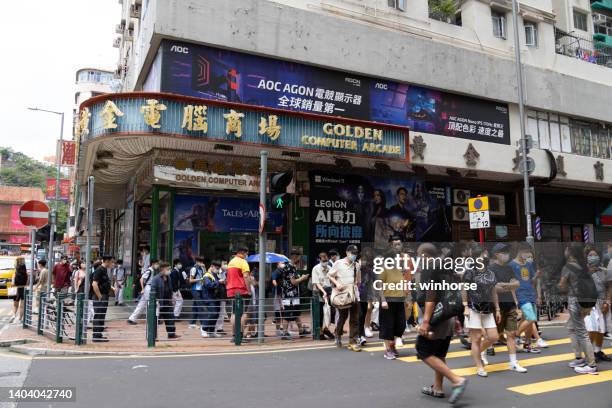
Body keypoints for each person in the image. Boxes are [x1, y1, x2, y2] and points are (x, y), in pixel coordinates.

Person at [415, 243, 467, 404]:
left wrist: (425, 322)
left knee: (423, 350)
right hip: (449, 317)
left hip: (436, 318)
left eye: (418, 255)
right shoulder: (445, 269)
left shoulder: (429, 270)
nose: (418, 259)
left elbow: (431, 296)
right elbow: (452, 294)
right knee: (439, 354)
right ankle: (437, 388)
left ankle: (456, 380)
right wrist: (456, 319)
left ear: (425, 255)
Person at [559, 242, 598, 374]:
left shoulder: (568, 267)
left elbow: (562, 285)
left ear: (570, 252)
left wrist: (560, 286)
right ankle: (578, 357)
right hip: (586, 302)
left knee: (581, 332)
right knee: (571, 327)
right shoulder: (583, 266)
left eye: (566, 249)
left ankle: (591, 365)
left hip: (575, 301)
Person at [489, 243, 528, 373]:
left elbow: (516, 283)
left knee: (511, 334)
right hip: (496, 306)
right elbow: (494, 288)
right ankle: (481, 353)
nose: (506, 254)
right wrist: (508, 285)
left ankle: (513, 362)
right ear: (496, 254)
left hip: (510, 304)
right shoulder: (490, 269)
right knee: (494, 336)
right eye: (503, 252)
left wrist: (504, 285)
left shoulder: (509, 268)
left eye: (507, 251)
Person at [462, 251, 501, 377]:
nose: (483, 257)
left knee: (494, 336)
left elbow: (494, 292)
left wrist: (498, 309)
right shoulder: (470, 272)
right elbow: (464, 289)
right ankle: (479, 366)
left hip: (488, 308)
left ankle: (476, 352)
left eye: (485, 255)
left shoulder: (491, 273)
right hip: (473, 307)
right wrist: (465, 306)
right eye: (481, 255)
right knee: (477, 338)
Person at [328, 244, 361, 352]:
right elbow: (330, 275)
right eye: (353, 253)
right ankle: (338, 334)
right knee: (343, 317)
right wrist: (337, 283)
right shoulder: (339, 263)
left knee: (355, 318)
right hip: (342, 294)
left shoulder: (356, 265)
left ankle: (353, 341)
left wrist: (356, 286)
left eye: (356, 253)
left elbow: (358, 280)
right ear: (347, 253)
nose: (354, 255)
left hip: (354, 294)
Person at [508, 243, 541, 354]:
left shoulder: (528, 264)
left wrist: (537, 276)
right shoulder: (511, 265)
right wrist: (515, 299)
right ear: (519, 251)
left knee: (529, 321)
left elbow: (531, 280)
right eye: (526, 252)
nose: (527, 255)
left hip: (530, 294)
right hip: (520, 294)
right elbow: (511, 283)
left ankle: (527, 344)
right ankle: (516, 336)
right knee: (531, 318)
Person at [377, 248, 407, 360]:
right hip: (388, 301)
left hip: (399, 300)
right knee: (387, 326)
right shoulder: (383, 269)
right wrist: (383, 300)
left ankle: (392, 345)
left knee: (400, 324)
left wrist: (405, 298)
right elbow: (379, 286)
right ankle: (388, 349)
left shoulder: (399, 270)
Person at [584, 248, 611, 362]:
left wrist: (607, 302)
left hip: (601, 303)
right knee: (592, 329)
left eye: (595, 255)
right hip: (588, 304)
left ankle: (597, 351)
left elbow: (609, 286)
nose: (593, 257)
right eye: (590, 255)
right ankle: (588, 355)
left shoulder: (603, 271)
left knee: (601, 329)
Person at [278, 251, 310, 340]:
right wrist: (303, 278)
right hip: (289, 295)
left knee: (296, 313)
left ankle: (301, 330)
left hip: (294, 295)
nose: (300, 259)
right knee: (287, 314)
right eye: (299, 257)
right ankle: (284, 333)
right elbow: (293, 282)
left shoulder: (292, 267)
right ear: (295, 257)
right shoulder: (289, 267)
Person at [227, 247, 251, 341]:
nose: (246, 256)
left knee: (233, 313)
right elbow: (246, 276)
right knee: (243, 314)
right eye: (246, 254)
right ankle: (240, 335)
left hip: (231, 291)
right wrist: (248, 290)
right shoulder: (243, 262)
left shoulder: (231, 262)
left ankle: (234, 335)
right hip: (241, 291)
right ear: (243, 253)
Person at [150, 262, 179, 339]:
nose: (169, 270)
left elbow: (170, 289)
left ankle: (171, 334)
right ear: (162, 269)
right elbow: (152, 290)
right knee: (155, 320)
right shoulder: (156, 279)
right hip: (159, 303)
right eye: (168, 269)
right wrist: (156, 301)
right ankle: (153, 336)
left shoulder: (168, 277)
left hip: (168, 302)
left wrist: (172, 298)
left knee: (170, 318)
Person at [311, 251, 335, 340]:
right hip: (319, 294)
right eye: (323, 260)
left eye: (326, 260)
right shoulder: (315, 269)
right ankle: (320, 331)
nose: (325, 262)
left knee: (329, 312)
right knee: (320, 313)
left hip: (329, 293)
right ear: (320, 260)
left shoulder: (330, 267)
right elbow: (316, 283)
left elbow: (332, 280)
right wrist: (323, 292)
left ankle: (326, 328)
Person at [127, 259, 159, 324]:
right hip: (148, 288)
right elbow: (141, 279)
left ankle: (131, 318)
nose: (157, 265)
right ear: (153, 264)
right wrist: (143, 289)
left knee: (141, 304)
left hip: (148, 288)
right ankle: (151, 319)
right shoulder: (149, 270)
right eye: (156, 264)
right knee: (152, 303)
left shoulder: (152, 270)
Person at [91, 256, 114, 342]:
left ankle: (99, 335)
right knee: (98, 315)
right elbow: (94, 284)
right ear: (107, 261)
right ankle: (96, 336)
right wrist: (100, 296)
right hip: (99, 296)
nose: (112, 264)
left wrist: (111, 288)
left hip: (104, 295)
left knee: (101, 315)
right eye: (112, 262)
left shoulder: (104, 270)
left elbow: (104, 282)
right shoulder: (99, 270)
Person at [202, 260, 222, 338]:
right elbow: (209, 285)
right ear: (212, 267)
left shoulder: (215, 275)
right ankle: (204, 329)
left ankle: (211, 331)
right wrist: (219, 282)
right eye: (216, 268)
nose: (217, 269)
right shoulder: (207, 275)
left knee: (216, 314)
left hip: (215, 297)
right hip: (209, 298)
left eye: (218, 268)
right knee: (213, 313)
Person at [188, 257, 207, 332]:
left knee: (195, 306)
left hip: (201, 289)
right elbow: (190, 280)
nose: (201, 263)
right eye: (200, 261)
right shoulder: (194, 269)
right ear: (196, 262)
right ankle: (203, 324)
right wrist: (199, 279)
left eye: (202, 262)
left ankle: (192, 323)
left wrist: (204, 268)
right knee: (200, 306)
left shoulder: (202, 268)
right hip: (195, 289)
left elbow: (205, 276)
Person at [9, 257, 28, 324]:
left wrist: (12, 285)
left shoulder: (15, 274)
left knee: (15, 305)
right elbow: (27, 283)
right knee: (22, 306)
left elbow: (13, 284)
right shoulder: (26, 274)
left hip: (16, 290)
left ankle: (14, 315)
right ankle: (20, 319)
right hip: (23, 290)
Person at [215, 261, 229, 335]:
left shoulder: (226, 272)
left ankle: (220, 328)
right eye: (224, 264)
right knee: (217, 311)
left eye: (226, 263)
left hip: (223, 294)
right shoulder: (216, 272)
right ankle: (215, 328)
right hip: (217, 294)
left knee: (222, 311)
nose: (225, 265)